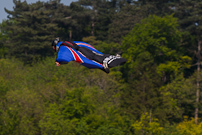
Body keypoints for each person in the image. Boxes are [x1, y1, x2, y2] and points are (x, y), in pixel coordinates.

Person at [52, 38, 127, 73]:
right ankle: (111, 59)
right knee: (98, 55)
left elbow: (63, 57)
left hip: (84, 53)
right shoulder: (70, 42)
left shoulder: (63, 47)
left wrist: (59, 61)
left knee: (90, 60)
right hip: (85, 49)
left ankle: (103, 64)